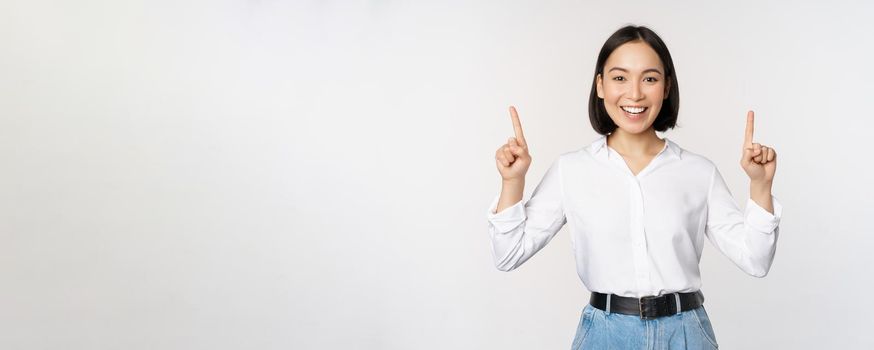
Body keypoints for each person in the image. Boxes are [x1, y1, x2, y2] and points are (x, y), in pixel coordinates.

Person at [487, 25, 782, 350]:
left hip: (685, 334)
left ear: (666, 87)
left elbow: (756, 260)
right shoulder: (571, 170)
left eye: (650, 78)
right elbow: (508, 254)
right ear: (600, 85)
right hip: (605, 335)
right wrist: (513, 182)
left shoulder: (698, 172)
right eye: (620, 78)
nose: (635, 93)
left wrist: (760, 186)